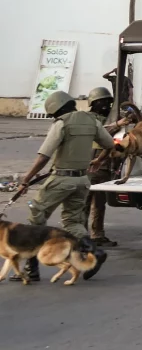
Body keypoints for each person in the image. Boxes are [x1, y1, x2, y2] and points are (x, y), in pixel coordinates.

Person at [9, 91, 111, 282]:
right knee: (72, 221)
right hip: (82, 180)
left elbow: (44, 156)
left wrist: (26, 179)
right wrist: (98, 160)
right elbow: (110, 144)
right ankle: (94, 251)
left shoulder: (62, 123)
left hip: (61, 178)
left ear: (57, 110)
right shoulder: (92, 121)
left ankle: (32, 271)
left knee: (35, 218)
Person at [85, 87, 130, 248]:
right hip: (88, 166)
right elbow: (100, 132)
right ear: (94, 103)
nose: (105, 105)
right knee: (84, 203)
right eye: (101, 102)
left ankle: (97, 234)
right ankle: (81, 236)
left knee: (99, 203)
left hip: (102, 167)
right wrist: (117, 124)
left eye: (107, 102)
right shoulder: (89, 119)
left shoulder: (110, 117)